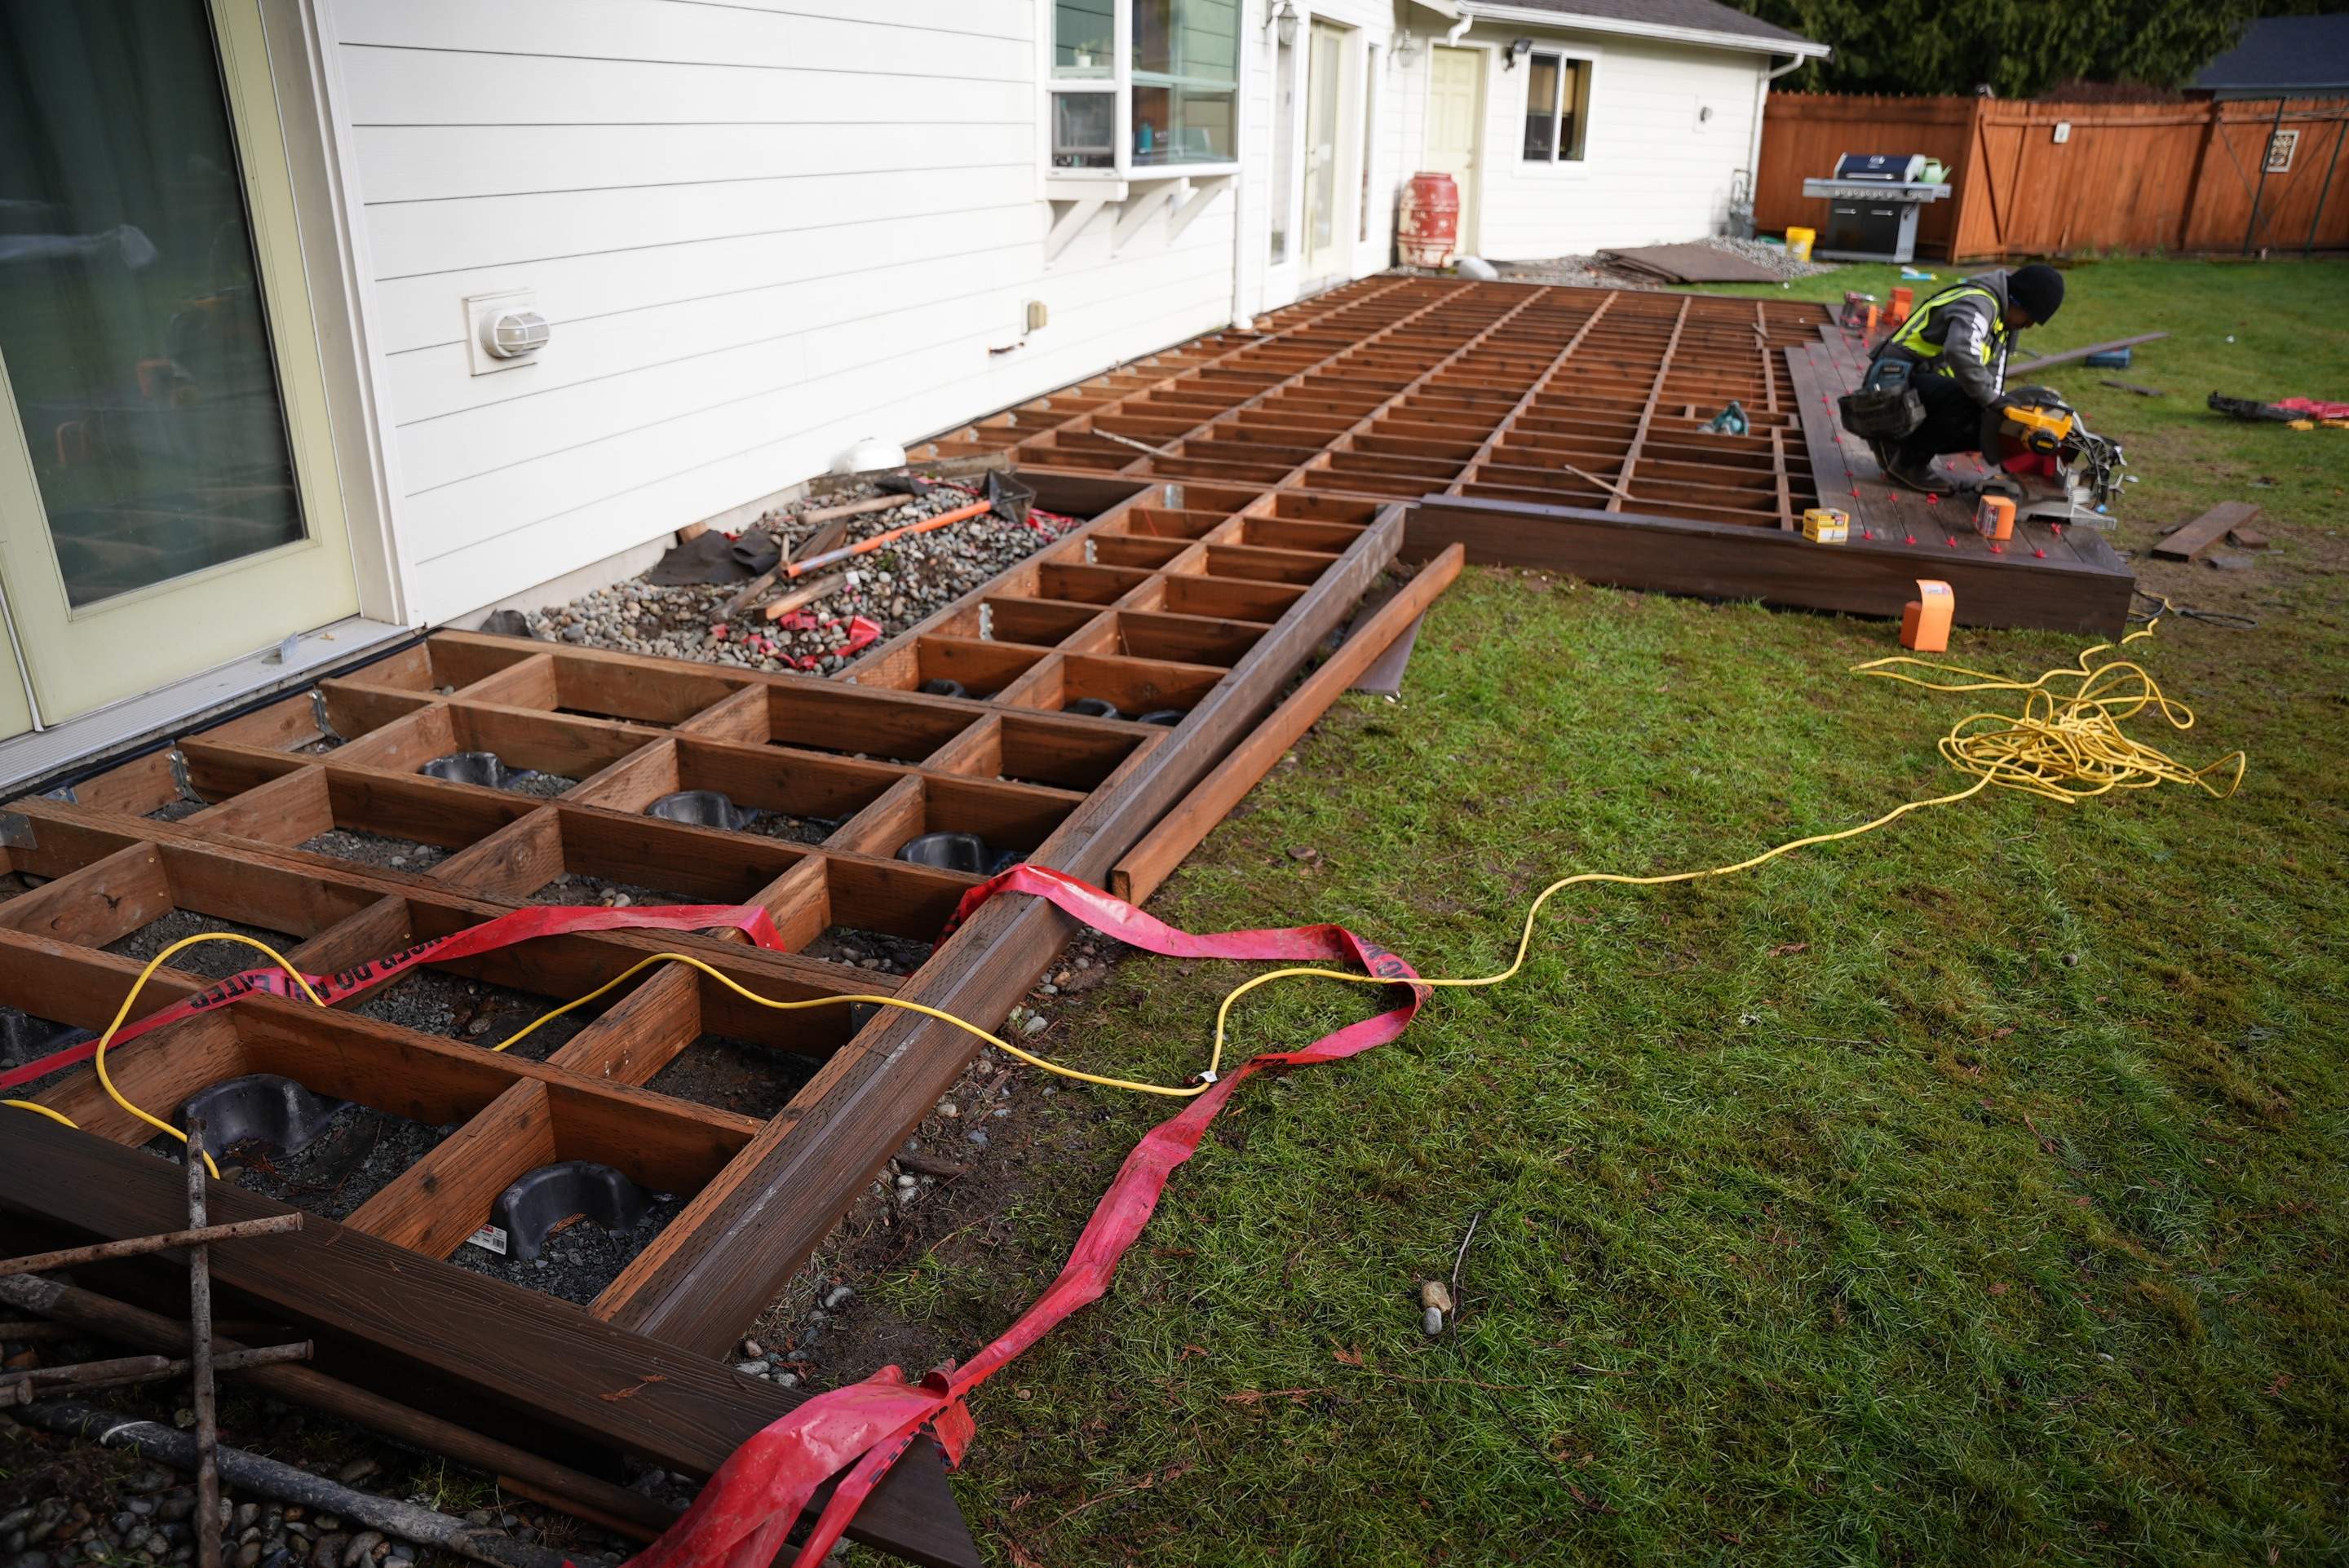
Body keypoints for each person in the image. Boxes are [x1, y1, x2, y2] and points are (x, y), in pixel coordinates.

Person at [1861, 263, 2066, 492]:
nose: (2028, 326)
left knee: (1989, 424)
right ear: (2018, 301)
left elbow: (1993, 381)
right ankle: (1908, 464)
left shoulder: (2003, 324)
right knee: (1971, 399)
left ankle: (1900, 449)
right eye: (2029, 318)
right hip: (1888, 386)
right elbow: (1960, 350)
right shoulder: (1979, 303)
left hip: (1913, 385)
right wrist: (1989, 400)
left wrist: (2001, 420)